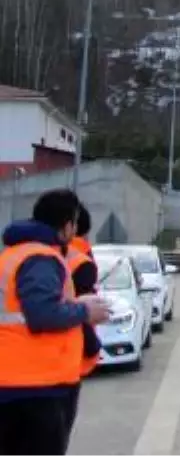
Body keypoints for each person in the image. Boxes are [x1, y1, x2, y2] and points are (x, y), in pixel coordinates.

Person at [0, 189, 110, 456]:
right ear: (67, 224)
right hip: (36, 387)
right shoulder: (40, 258)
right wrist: (85, 313)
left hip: (16, 382)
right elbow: (42, 314)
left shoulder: (14, 254)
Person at [63, 204, 103, 446]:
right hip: (62, 365)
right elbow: (80, 313)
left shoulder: (11, 256)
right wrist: (92, 346)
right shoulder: (80, 262)